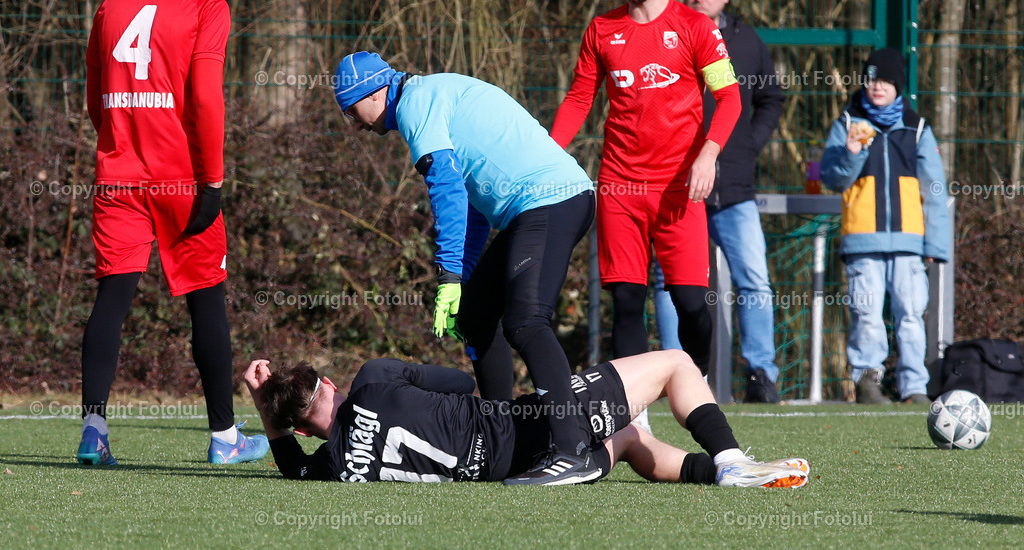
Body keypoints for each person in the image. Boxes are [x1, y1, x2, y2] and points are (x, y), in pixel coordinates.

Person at [334, 52, 599, 485]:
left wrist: (449, 277)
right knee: (477, 316)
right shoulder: (425, 97)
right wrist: (464, 281)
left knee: (527, 321)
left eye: (351, 109)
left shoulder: (415, 106)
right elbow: (474, 209)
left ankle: (573, 451)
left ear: (375, 91)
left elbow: (448, 191)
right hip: (535, 208)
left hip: (550, 200)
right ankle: (504, 438)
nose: (354, 124)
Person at [79, 0, 268, 466]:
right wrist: (212, 179)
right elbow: (208, 98)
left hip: (118, 174)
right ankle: (224, 439)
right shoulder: (207, 6)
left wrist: (121, 140)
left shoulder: (111, 4)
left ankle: (93, 430)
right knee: (206, 301)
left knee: (111, 299)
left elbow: (94, 97)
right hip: (181, 178)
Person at [551, 0, 741, 396]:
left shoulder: (696, 27)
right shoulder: (601, 29)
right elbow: (579, 99)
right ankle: (632, 406)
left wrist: (708, 155)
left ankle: (696, 385)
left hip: (680, 188)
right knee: (629, 301)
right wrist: (549, 153)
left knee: (690, 303)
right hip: (619, 186)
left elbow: (731, 99)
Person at [243, 349, 809, 488]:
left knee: (634, 434)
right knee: (675, 365)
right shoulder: (371, 378)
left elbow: (292, 471)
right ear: (331, 384)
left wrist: (267, 415)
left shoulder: (337, 467)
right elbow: (462, 382)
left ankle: (718, 476)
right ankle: (733, 462)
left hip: (506, 470)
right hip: (529, 426)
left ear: (297, 429)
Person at [650, 0, 785, 404]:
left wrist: (746, 142)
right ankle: (678, 375)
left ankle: (761, 376)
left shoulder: (747, 42)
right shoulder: (666, 34)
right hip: (675, 188)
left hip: (735, 190)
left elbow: (770, 98)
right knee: (670, 281)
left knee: (754, 281)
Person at [821, 48, 952, 404]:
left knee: (911, 315)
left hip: (910, 243)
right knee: (867, 314)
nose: (877, 87)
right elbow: (833, 179)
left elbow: (935, 192)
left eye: (885, 80)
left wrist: (936, 246)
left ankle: (914, 388)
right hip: (862, 241)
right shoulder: (847, 124)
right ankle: (868, 382)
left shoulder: (917, 128)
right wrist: (851, 152)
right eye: (871, 78)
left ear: (898, 86)